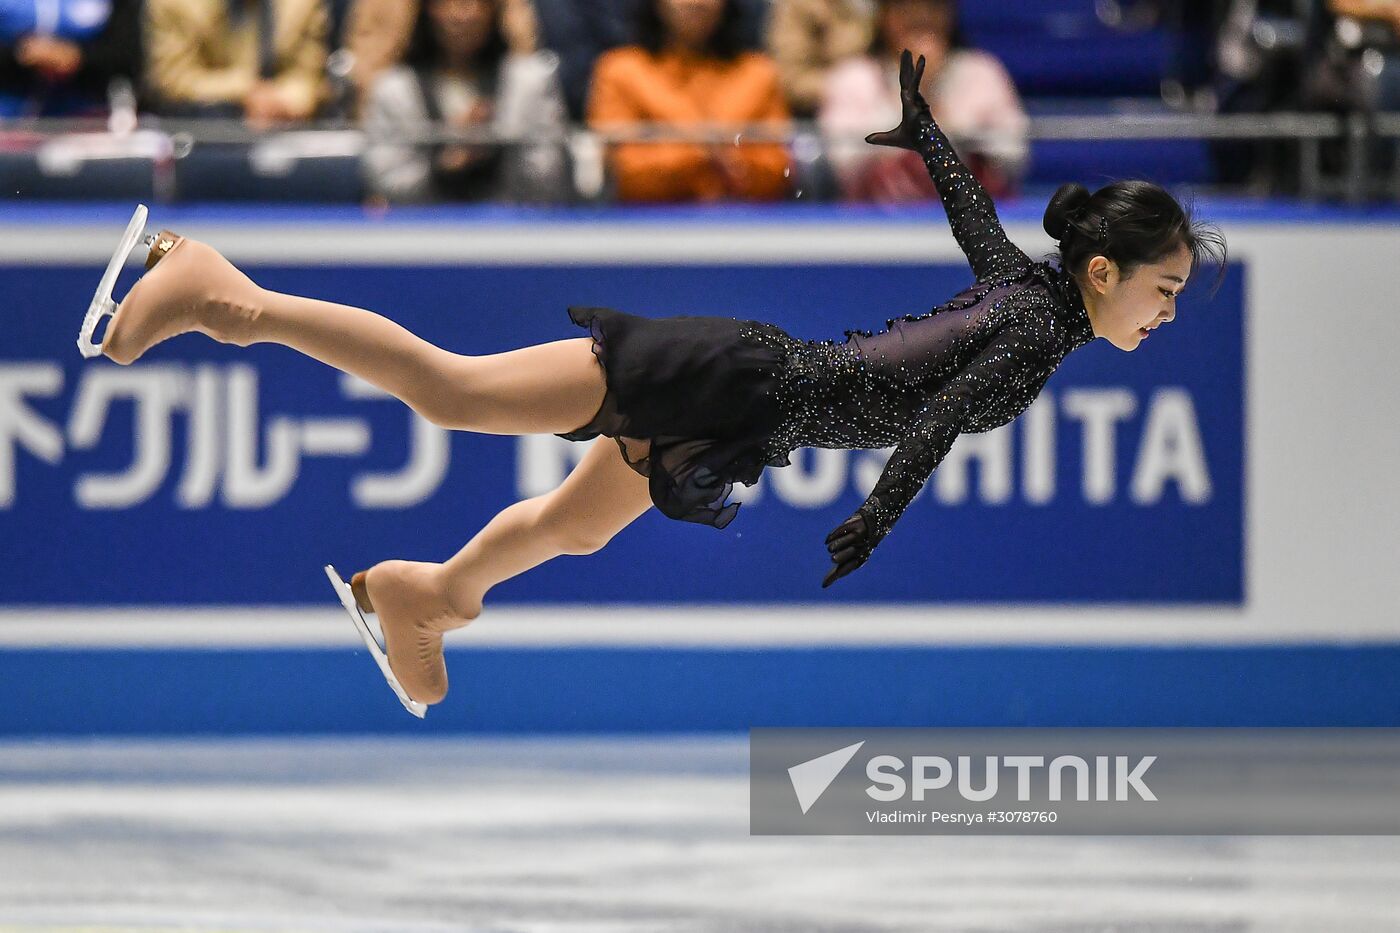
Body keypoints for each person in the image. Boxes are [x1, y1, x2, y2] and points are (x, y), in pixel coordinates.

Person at [86, 52, 1223, 708]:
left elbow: (974, 224)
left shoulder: (1032, 298)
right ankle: (220, 291)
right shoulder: (1034, 328)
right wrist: (878, 515)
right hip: (731, 378)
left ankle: (430, 596)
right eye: (1163, 290)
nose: (1166, 313)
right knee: (453, 391)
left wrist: (927, 136)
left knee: (575, 525)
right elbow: (939, 416)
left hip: (748, 409)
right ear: (1103, 271)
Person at [361, 0, 571, 204]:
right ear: (427, 9)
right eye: (447, 2)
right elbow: (386, 183)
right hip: (425, 221)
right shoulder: (394, 88)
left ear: (493, 10)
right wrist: (445, 164)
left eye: (475, 2)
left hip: (513, 218)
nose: (461, 15)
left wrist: (492, 145)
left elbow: (550, 176)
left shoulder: (530, 83)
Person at [820, 0, 1026, 200]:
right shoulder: (853, 77)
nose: (921, 17)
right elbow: (841, 161)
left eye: (933, 6)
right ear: (883, 15)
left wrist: (939, 104)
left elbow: (1014, 155)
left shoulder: (982, 72)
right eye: (906, 6)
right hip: (877, 215)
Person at [587, 0, 790, 203]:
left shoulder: (759, 73)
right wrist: (708, 155)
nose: (696, 3)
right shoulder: (621, 70)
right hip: (648, 217)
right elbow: (622, 169)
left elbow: (778, 168)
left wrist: (687, 154)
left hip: (745, 215)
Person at [144, 0, 328, 127]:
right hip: (203, 125)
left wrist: (285, 102)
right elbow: (173, 79)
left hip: (285, 124)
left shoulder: (303, 4)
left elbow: (309, 75)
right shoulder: (174, 4)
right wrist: (247, 90)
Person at [0, 0, 141, 117]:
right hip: (9, 115)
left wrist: (78, 57)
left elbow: (127, 54)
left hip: (83, 117)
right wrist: (22, 53)